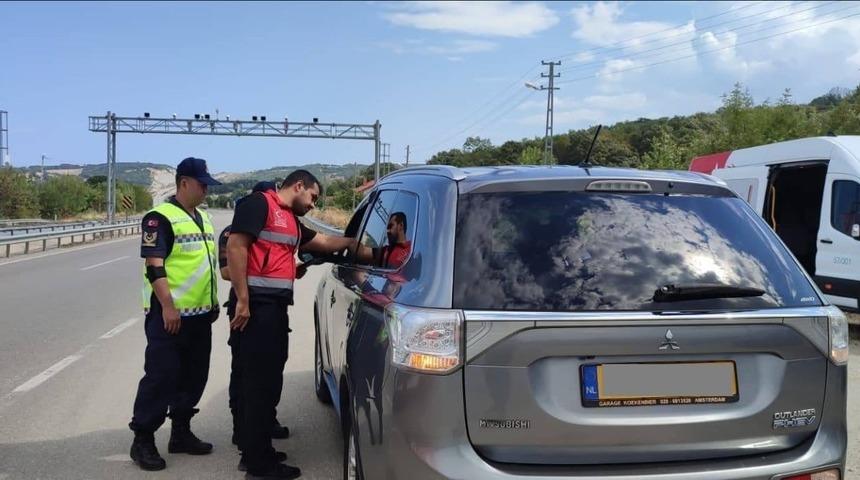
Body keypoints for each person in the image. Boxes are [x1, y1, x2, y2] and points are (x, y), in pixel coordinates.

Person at [227, 169, 355, 479]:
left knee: (264, 382)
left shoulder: (288, 219)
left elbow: (321, 240)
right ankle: (258, 465)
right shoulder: (259, 205)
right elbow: (236, 246)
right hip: (255, 309)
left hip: (271, 310)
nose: (313, 205)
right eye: (312, 197)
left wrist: (353, 241)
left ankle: (256, 450)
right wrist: (243, 299)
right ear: (299, 186)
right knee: (259, 384)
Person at [129, 157, 222, 471]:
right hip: (169, 316)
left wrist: (212, 303)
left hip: (199, 316)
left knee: (194, 376)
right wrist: (168, 306)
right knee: (162, 377)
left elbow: (204, 265)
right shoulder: (159, 218)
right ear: (183, 183)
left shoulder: (204, 218)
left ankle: (180, 432)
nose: (206, 190)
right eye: (202, 184)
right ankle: (142, 439)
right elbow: (155, 266)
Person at [217, 181, 290, 471]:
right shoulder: (233, 231)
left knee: (266, 375)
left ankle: (260, 429)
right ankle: (244, 435)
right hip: (246, 309)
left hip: (266, 308)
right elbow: (226, 270)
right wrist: (247, 294)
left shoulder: (271, 227)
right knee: (247, 376)